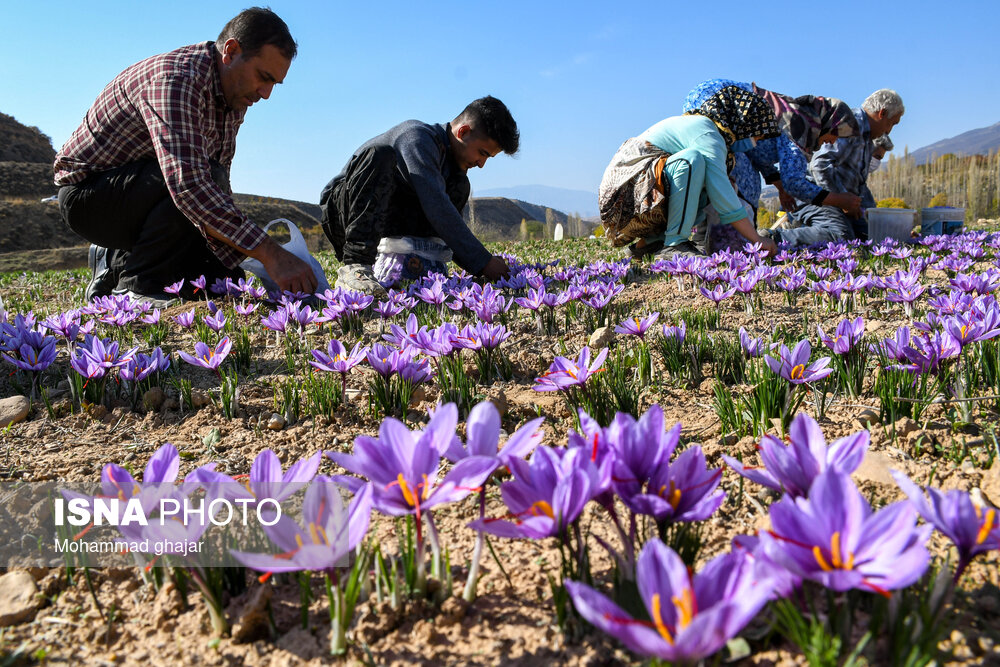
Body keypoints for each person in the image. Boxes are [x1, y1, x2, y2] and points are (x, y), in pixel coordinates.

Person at [54, 7, 317, 306]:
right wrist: (270, 253)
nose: (266, 93)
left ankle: (116, 262)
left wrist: (234, 266)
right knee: (202, 181)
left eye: (274, 84)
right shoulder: (176, 80)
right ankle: (136, 287)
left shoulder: (233, 96)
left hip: (147, 192)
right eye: (263, 77)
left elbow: (219, 186)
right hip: (90, 198)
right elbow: (189, 185)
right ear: (230, 51)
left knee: (220, 281)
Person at [319, 96, 518, 295]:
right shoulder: (416, 138)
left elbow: (446, 220)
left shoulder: (452, 167)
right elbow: (437, 208)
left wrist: (480, 265)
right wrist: (484, 262)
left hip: (386, 217)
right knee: (380, 155)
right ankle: (356, 267)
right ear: (463, 132)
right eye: (482, 153)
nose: (481, 164)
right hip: (345, 216)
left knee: (459, 184)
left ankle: (419, 267)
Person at [599, 84, 779, 259]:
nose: (755, 142)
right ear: (743, 124)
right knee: (692, 161)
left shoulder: (712, 135)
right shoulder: (708, 132)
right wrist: (756, 239)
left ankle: (647, 244)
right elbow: (723, 195)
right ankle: (675, 244)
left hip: (635, 197)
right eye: (757, 135)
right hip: (624, 200)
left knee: (707, 183)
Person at [683, 79, 861, 217]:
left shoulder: (794, 117)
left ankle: (721, 238)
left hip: (705, 107)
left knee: (740, 180)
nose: (832, 141)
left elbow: (758, 153)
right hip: (717, 108)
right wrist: (839, 200)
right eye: (836, 134)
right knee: (742, 187)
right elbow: (795, 183)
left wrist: (780, 188)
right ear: (828, 124)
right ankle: (726, 242)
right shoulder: (800, 124)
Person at [766, 89, 904, 247]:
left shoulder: (865, 137)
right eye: (892, 123)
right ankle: (774, 239)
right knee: (840, 235)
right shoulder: (849, 124)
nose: (888, 130)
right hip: (815, 196)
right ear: (882, 113)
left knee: (870, 236)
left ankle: (805, 231)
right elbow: (820, 164)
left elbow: (858, 184)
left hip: (839, 201)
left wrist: (876, 218)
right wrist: (840, 199)